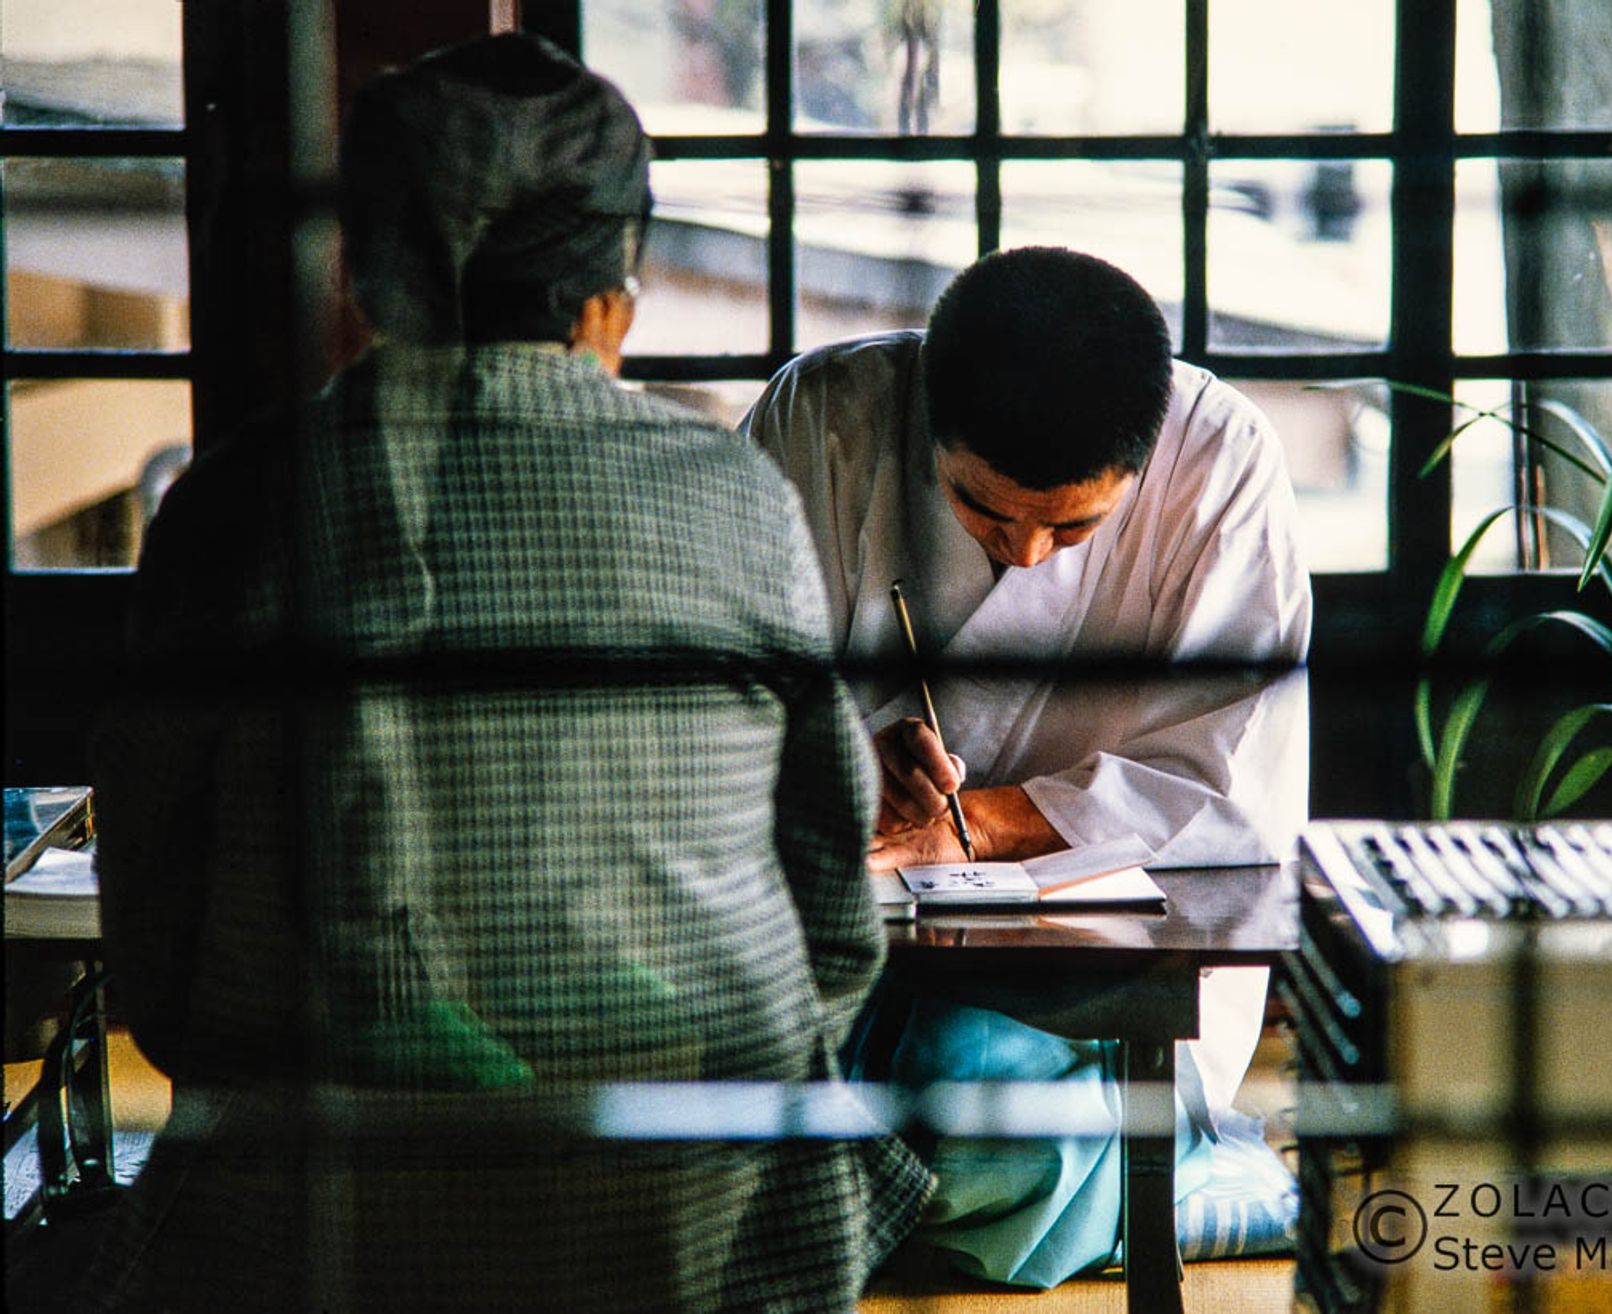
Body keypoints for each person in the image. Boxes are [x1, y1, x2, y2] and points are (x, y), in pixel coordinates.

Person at [81, 34, 926, 1313]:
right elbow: (831, 915)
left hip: (322, 1210)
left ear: (367, 283)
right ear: (608, 304)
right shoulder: (732, 499)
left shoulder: (236, 506)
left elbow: (154, 937)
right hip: (697, 1203)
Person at [742, 246, 1311, 1286]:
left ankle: (1135, 1168)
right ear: (928, 426)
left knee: (964, 1094)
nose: (1026, 553)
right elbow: (731, 701)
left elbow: (1229, 781)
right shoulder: (822, 419)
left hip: (1106, 949)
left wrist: (973, 822)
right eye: (982, 510)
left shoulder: (1216, 457)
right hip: (843, 929)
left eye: (1075, 525)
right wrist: (837, 768)